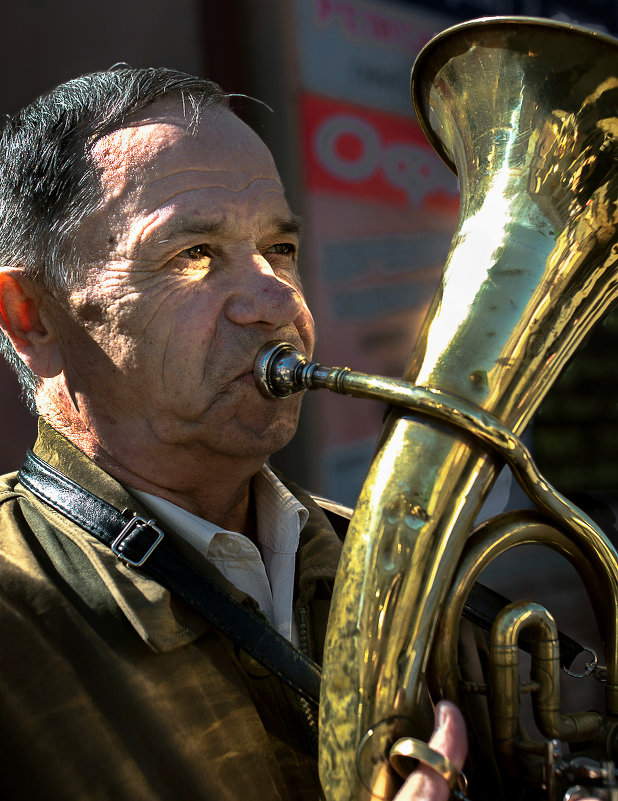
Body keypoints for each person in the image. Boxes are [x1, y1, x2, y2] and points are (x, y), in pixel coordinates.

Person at [0, 66, 466, 800]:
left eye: (280, 248)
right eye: (195, 256)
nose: (279, 300)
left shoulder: (409, 570)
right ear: (33, 316)